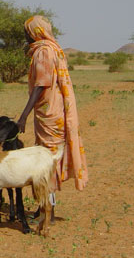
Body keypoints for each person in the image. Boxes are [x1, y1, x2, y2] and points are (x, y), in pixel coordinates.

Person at [17, 15, 88, 220]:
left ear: (35, 32)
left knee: (47, 163)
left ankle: (48, 211)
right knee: (46, 160)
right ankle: (43, 208)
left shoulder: (44, 52)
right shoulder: (52, 48)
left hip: (50, 115)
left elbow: (41, 84)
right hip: (50, 112)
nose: (25, 35)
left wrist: (23, 116)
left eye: (27, 31)